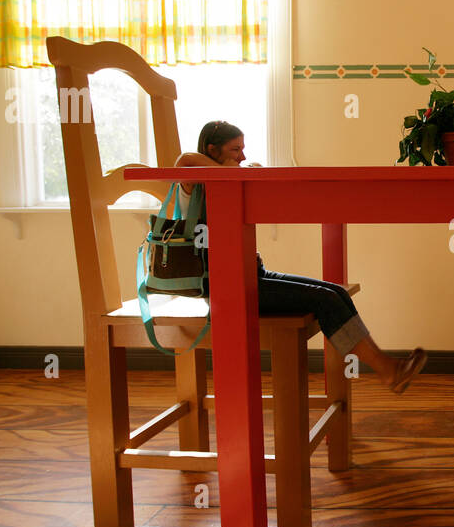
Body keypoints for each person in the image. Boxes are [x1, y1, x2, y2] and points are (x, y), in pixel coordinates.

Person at [175, 120, 426, 394]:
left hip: (252, 274)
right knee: (325, 299)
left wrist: (241, 172)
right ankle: (386, 370)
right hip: (224, 287)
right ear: (212, 150)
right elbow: (184, 159)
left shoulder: (228, 179)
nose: (242, 156)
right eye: (235, 149)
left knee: (335, 291)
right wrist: (229, 172)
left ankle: (388, 367)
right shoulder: (191, 184)